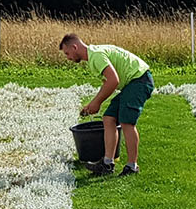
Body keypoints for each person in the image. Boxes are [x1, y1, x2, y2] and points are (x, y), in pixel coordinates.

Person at [58, 34, 153, 175]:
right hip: (131, 83)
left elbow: (113, 81)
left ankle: (132, 166)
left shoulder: (96, 56)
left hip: (139, 80)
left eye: (67, 53)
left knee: (127, 122)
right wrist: (93, 104)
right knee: (108, 118)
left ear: (74, 47)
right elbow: (108, 83)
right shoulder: (93, 56)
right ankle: (107, 164)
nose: (68, 58)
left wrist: (96, 103)